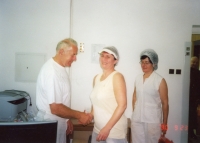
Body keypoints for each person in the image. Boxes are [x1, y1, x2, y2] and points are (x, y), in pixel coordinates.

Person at [36, 38, 92, 143]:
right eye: (73, 55)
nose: (75, 59)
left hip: (58, 121)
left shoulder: (60, 68)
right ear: (61, 52)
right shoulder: (52, 72)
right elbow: (56, 108)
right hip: (50, 123)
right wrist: (80, 115)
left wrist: (67, 119)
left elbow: (62, 99)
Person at [89, 46, 127, 143]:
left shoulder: (117, 77)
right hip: (97, 129)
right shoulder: (96, 78)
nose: (104, 59)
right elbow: (96, 103)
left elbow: (122, 105)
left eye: (108, 56)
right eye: (102, 55)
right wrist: (89, 116)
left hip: (113, 131)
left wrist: (107, 129)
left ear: (115, 61)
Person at [131, 49, 169, 143]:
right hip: (137, 120)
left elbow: (165, 103)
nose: (143, 65)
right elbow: (134, 97)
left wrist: (164, 123)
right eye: (142, 62)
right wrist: (134, 112)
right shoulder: (138, 78)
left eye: (147, 62)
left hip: (153, 121)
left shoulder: (160, 80)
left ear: (154, 64)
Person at [188, 56, 200, 140]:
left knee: (192, 116)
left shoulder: (198, 73)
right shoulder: (186, 72)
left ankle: (191, 133)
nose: (194, 64)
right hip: (186, 98)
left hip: (194, 99)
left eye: (196, 62)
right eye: (193, 62)